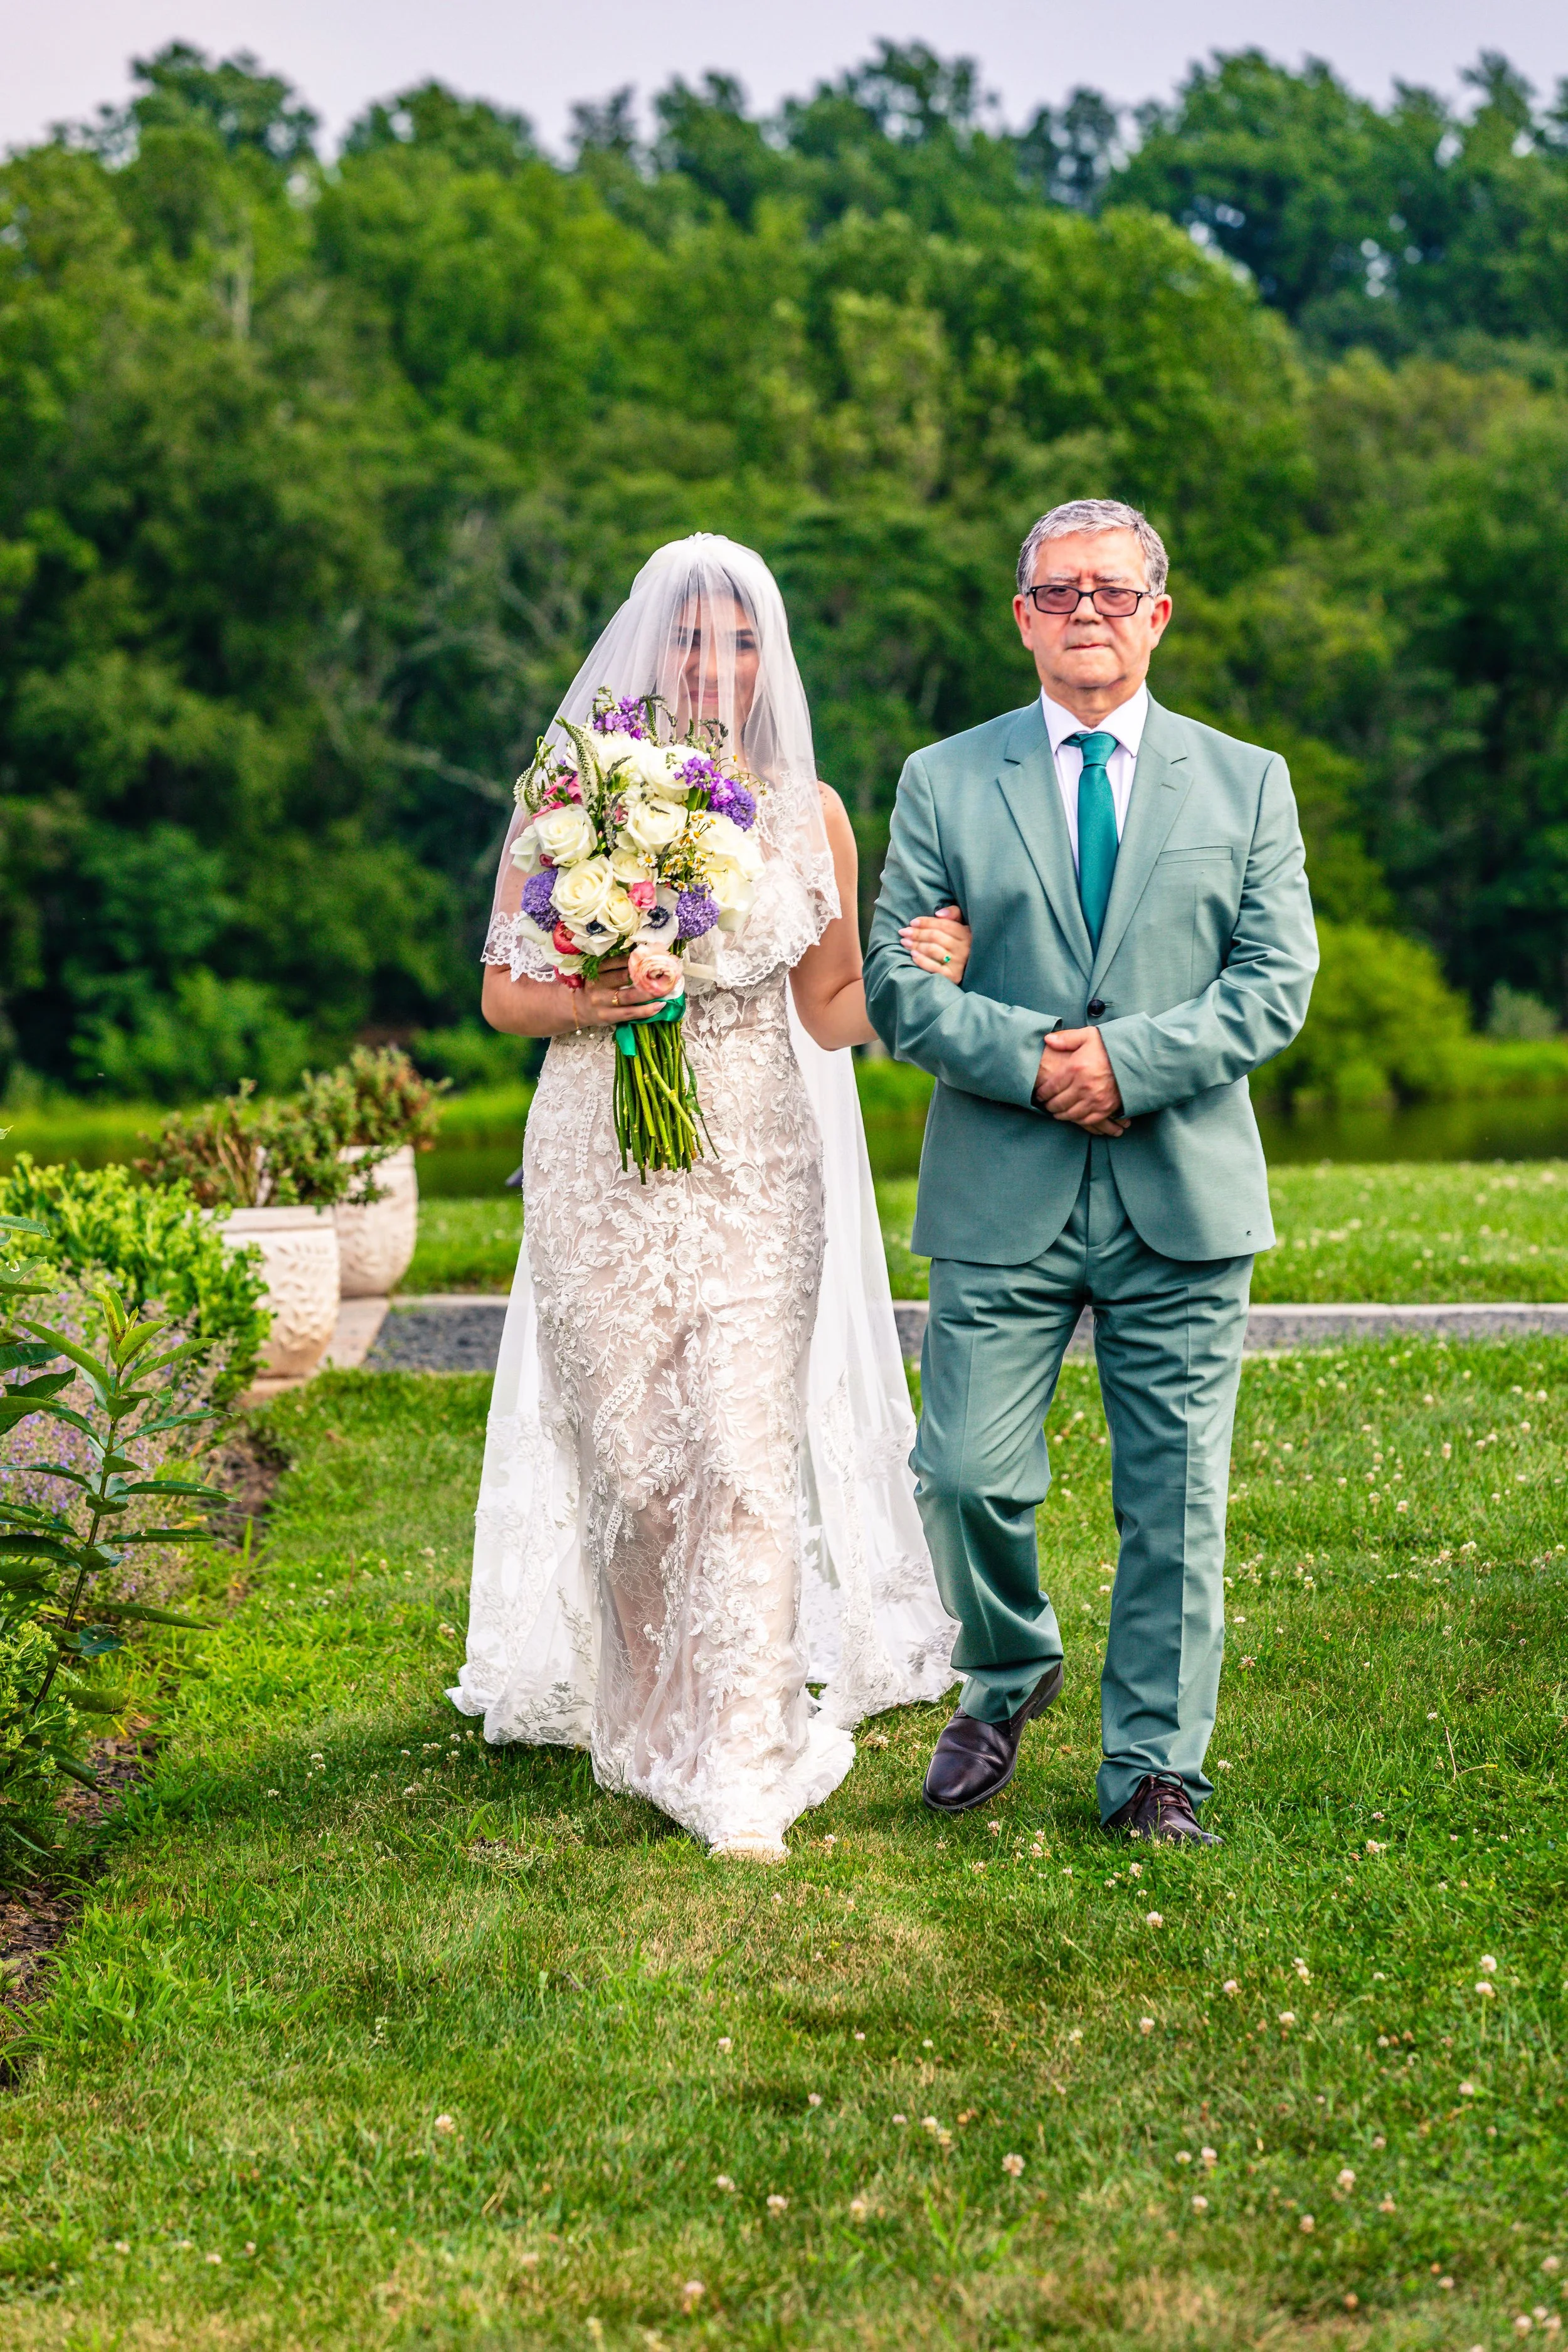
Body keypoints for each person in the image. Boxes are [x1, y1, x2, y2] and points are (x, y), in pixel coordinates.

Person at [452, 533, 967, 1859]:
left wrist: (920, 964)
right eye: (691, 636)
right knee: (632, 1462)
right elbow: (505, 994)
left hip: (755, 1159)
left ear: (770, 657)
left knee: (741, 1458)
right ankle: (647, 1720)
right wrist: (597, 994)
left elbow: (834, 1006)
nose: (716, 662)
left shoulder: (814, 814)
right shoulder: (568, 796)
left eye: (742, 640)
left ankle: (743, 1756)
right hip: (598, 1151)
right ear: (648, 644)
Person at [865, 497, 1318, 1842]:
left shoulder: (1246, 782)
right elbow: (897, 987)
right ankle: (1006, 1665)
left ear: (1156, 615)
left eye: (1112, 593)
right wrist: (1039, 1058)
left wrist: (1128, 1067)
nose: (1085, 615)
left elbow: (1272, 983)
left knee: (1173, 1498)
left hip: (1181, 1192)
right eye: (1058, 593)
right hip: (999, 1188)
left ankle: (1151, 1772)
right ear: (1021, 618)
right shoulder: (942, 780)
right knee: (962, 1475)